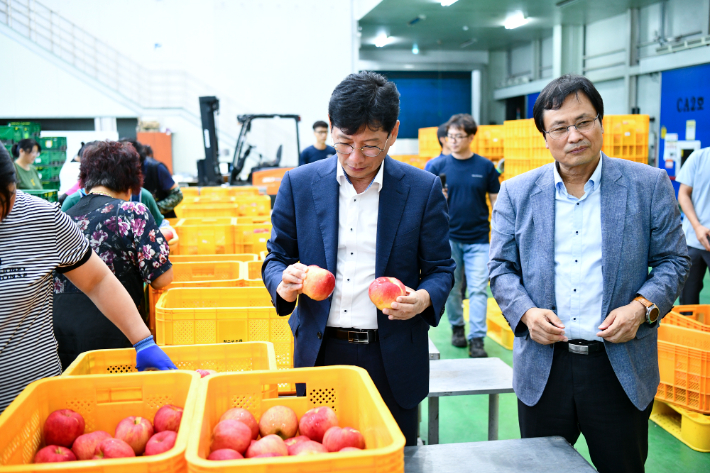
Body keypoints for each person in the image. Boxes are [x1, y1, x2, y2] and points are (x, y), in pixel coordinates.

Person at [488, 74, 690, 473]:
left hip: (618, 367)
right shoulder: (517, 192)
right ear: (545, 137)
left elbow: (674, 260)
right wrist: (526, 313)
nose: (574, 135)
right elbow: (501, 267)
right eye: (560, 127)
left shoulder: (647, 185)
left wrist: (642, 307)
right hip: (545, 367)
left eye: (584, 121)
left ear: (601, 122)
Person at [262, 71, 455, 446]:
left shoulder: (422, 189)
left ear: (393, 133)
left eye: (370, 146)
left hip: (392, 354)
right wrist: (284, 283)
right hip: (321, 352)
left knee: (391, 455)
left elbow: (440, 269)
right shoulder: (299, 184)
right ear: (331, 127)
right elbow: (276, 257)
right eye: (344, 143)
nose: (355, 157)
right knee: (318, 457)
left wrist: (424, 299)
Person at [0, 145, 176, 413]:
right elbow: (162, 279)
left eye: (8, 197)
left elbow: (97, 280)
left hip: (43, 389)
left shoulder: (47, 216)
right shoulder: (132, 213)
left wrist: (143, 341)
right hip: (103, 344)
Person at [52, 141, 174, 369]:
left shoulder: (63, 217)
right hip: (117, 335)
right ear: (131, 180)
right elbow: (161, 279)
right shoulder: (132, 213)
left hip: (59, 340)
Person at [428, 114, 500, 356]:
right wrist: (440, 199)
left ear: (471, 137)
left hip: (479, 238)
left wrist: (500, 234)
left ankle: (477, 338)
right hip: (447, 239)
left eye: (459, 136)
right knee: (453, 287)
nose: (454, 140)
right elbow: (423, 203)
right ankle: (458, 327)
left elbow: (495, 201)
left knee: (479, 288)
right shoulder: (438, 166)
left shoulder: (485, 167)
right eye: (450, 136)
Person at [676, 147, 710, 304]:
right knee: (687, 298)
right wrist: (697, 227)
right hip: (693, 240)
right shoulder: (699, 158)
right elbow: (683, 194)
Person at [123, 140, 183, 218]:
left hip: (162, 220)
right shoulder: (121, 173)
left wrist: (154, 208)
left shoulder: (157, 168)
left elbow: (177, 195)